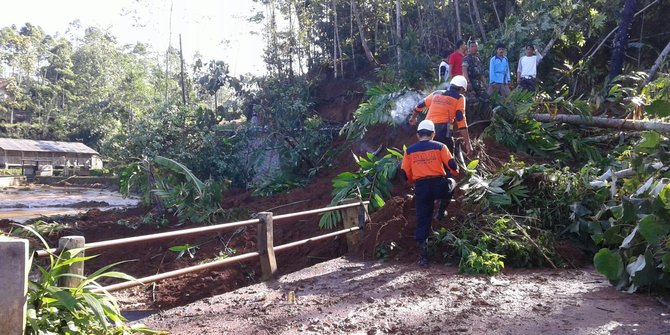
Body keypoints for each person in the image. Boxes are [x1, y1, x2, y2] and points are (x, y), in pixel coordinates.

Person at [401, 120, 459, 266]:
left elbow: (404, 173)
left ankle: (423, 257)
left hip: (421, 187)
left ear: (418, 135)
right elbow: (452, 165)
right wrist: (454, 172)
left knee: (423, 219)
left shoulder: (409, 151)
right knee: (452, 183)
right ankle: (441, 212)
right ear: (433, 134)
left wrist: (411, 181)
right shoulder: (440, 147)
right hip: (439, 184)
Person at [409, 75, 473, 155]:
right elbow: (460, 118)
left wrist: (413, 117)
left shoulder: (437, 93)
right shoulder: (459, 98)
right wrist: (468, 143)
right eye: (463, 91)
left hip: (427, 129)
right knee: (447, 157)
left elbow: (420, 105)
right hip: (443, 130)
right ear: (461, 89)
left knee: (427, 155)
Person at [462, 40, 489, 121]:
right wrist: (468, 82)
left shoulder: (478, 59)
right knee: (472, 103)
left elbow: (480, 74)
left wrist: (485, 84)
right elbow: (464, 70)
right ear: (469, 48)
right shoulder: (466, 59)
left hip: (479, 84)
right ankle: (471, 122)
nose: (474, 48)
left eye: (475, 46)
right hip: (471, 84)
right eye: (472, 46)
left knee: (485, 99)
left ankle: (483, 119)